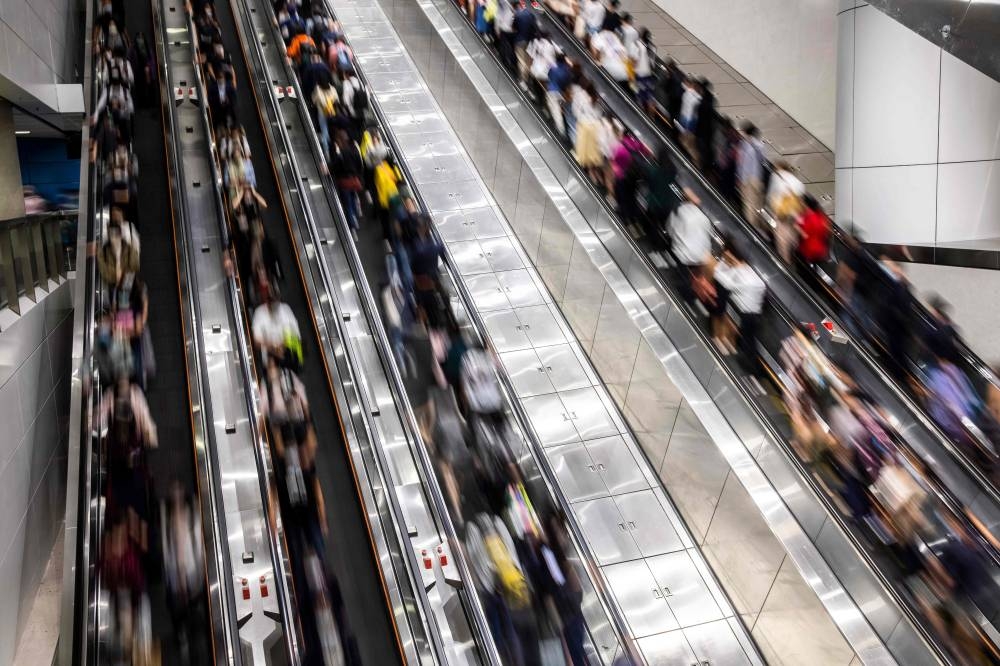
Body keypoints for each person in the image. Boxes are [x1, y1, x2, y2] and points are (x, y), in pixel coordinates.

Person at [714, 243, 766, 368]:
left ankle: (749, 365)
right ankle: (753, 364)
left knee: (747, 340)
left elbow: (728, 285)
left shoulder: (740, 272)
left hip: (747, 313)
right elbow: (762, 286)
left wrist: (722, 265)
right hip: (756, 313)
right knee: (751, 339)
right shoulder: (751, 272)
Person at [668, 189, 712, 302]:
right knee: (694, 276)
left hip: (683, 255)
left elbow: (670, 229)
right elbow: (707, 237)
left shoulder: (678, 211)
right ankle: (692, 295)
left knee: (683, 275)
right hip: (700, 256)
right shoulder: (704, 217)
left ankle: (682, 295)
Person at [252, 290, 303, 369]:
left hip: (288, 349)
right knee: (273, 367)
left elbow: (296, 335)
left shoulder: (285, 309)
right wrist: (274, 349)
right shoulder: (259, 312)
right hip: (270, 350)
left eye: (276, 301)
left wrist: (283, 345)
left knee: (292, 358)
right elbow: (256, 341)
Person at [766, 160, 805, 263]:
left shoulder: (777, 177)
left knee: (782, 239)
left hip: (781, 213)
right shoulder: (796, 181)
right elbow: (800, 201)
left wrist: (773, 208)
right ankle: (795, 254)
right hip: (794, 215)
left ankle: (785, 261)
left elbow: (771, 196)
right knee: (791, 234)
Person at [737, 122, 766, 230]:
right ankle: (757, 227)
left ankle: (751, 228)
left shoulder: (748, 145)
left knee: (749, 205)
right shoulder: (754, 145)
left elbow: (744, 164)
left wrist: (742, 180)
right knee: (755, 205)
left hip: (750, 180)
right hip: (755, 178)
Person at [797, 193, 831, 264]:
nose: (799, 204)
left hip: (810, 251)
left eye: (800, 202)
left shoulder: (810, 218)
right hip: (819, 250)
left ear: (805, 203)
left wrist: (796, 227)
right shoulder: (818, 216)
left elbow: (805, 235)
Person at [546, 52, 572, 137]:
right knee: (559, 109)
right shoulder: (567, 69)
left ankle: (561, 131)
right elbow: (567, 82)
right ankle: (561, 128)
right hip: (561, 93)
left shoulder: (553, 66)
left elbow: (548, 75)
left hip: (552, 91)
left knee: (555, 111)